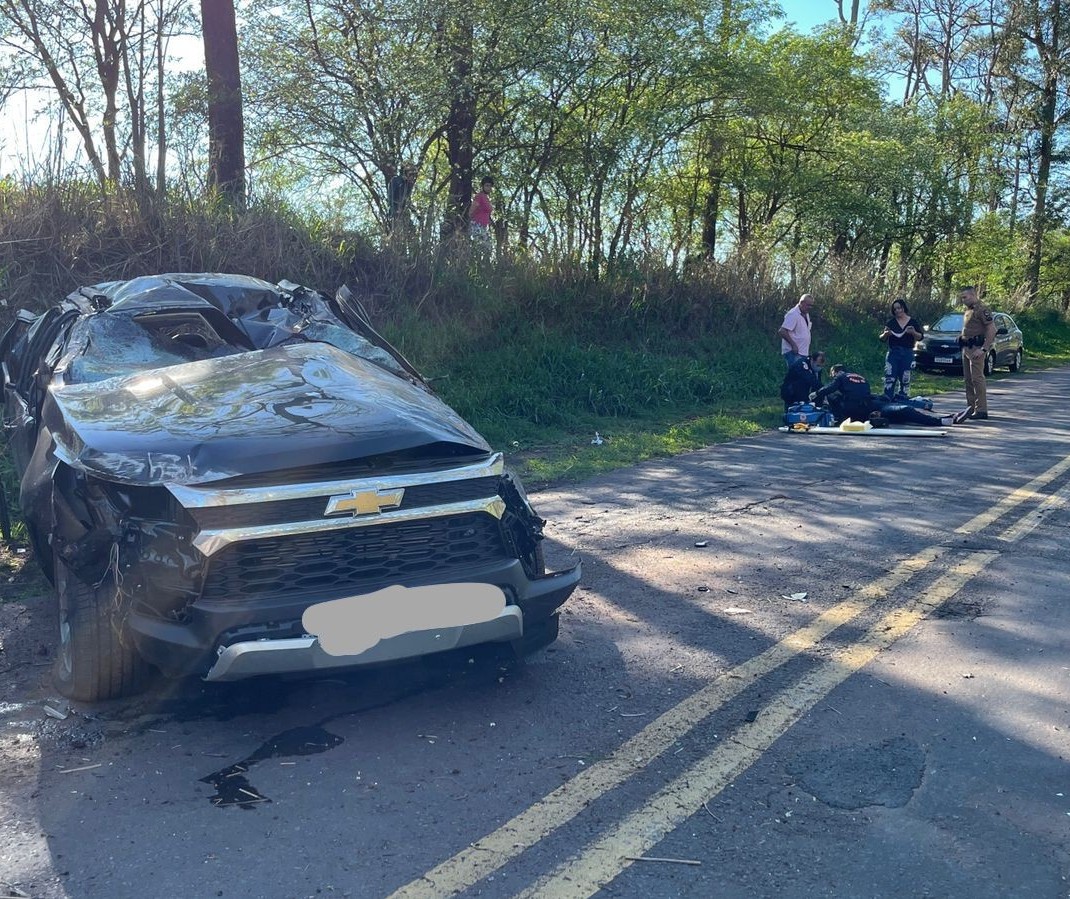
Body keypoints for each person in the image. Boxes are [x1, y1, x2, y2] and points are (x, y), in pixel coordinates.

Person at [814, 364, 969, 427]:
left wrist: (816, 398)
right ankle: (945, 419)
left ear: (835, 372)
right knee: (903, 409)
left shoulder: (840, 378)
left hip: (854, 410)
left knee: (901, 412)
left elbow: (827, 390)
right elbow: (866, 394)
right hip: (870, 405)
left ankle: (846, 420)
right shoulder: (861, 377)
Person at [958, 285, 997, 419]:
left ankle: (981, 410)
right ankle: (970, 408)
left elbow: (992, 330)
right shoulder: (968, 310)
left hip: (976, 348)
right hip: (966, 348)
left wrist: (983, 349)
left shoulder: (982, 309)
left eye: (965, 297)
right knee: (968, 380)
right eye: (961, 297)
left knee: (977, 379)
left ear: (973, 295)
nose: (963, 300)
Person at [879, 298, 923, 400]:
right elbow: (882, 338)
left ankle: (903, 398)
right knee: (890, 377)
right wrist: (885, 334)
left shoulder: (912, 322)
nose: (897, 311)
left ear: (903, 308)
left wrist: (913, 332)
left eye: (899, 308)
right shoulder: (891, 323)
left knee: (905, 377)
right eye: (895, 309)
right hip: (893, 352)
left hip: (907, 352)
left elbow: (920, 337)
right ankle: (887, 398)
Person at [778, 294, 815, 367]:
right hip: (794, 353)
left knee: (801, 376)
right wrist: (793, 345)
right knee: (796, 376)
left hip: (803, 352)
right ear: (801, 303)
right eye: (808, 305)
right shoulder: (793, 314)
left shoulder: (805, 314)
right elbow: (782, 331)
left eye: (811, 306)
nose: (810, 307)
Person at [469, 176, 494, 246]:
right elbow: (472, 209)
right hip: (477, 225)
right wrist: (470, 222)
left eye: (490, 186)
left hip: (484, 226)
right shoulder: (479, 196)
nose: (489, 188)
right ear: (482, 186)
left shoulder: (486, 198)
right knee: (480, 247)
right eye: (487, 185)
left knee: (487, 247)